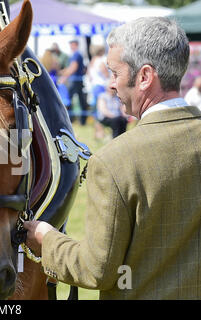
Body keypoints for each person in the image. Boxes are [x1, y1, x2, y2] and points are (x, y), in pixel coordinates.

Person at [25, 17, 201, 299]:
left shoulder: (114, 161)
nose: (110, 85)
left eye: (114, 72)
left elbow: (97, 269)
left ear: (145, 76)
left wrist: (45, 239)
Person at [59, 39, 89, 125]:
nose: (71, 46)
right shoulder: (77, 55)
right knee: (80, 100)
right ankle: (81, 120)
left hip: (75, 80)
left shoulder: (76, 54)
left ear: (75, 45)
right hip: (76, 80)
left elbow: (73, 67)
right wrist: (62, 72)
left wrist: (64, 77)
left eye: (72, 44)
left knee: (68, 99)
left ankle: (71, 119)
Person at [87, 44, 110, 139]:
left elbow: (89, 75)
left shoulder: (92, 61)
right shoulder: (100, 61)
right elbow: (106, 74)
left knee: (96, 111)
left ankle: (97, 132)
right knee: (101, 111)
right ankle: (101, 133)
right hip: (101, 87)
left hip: (94, 87)